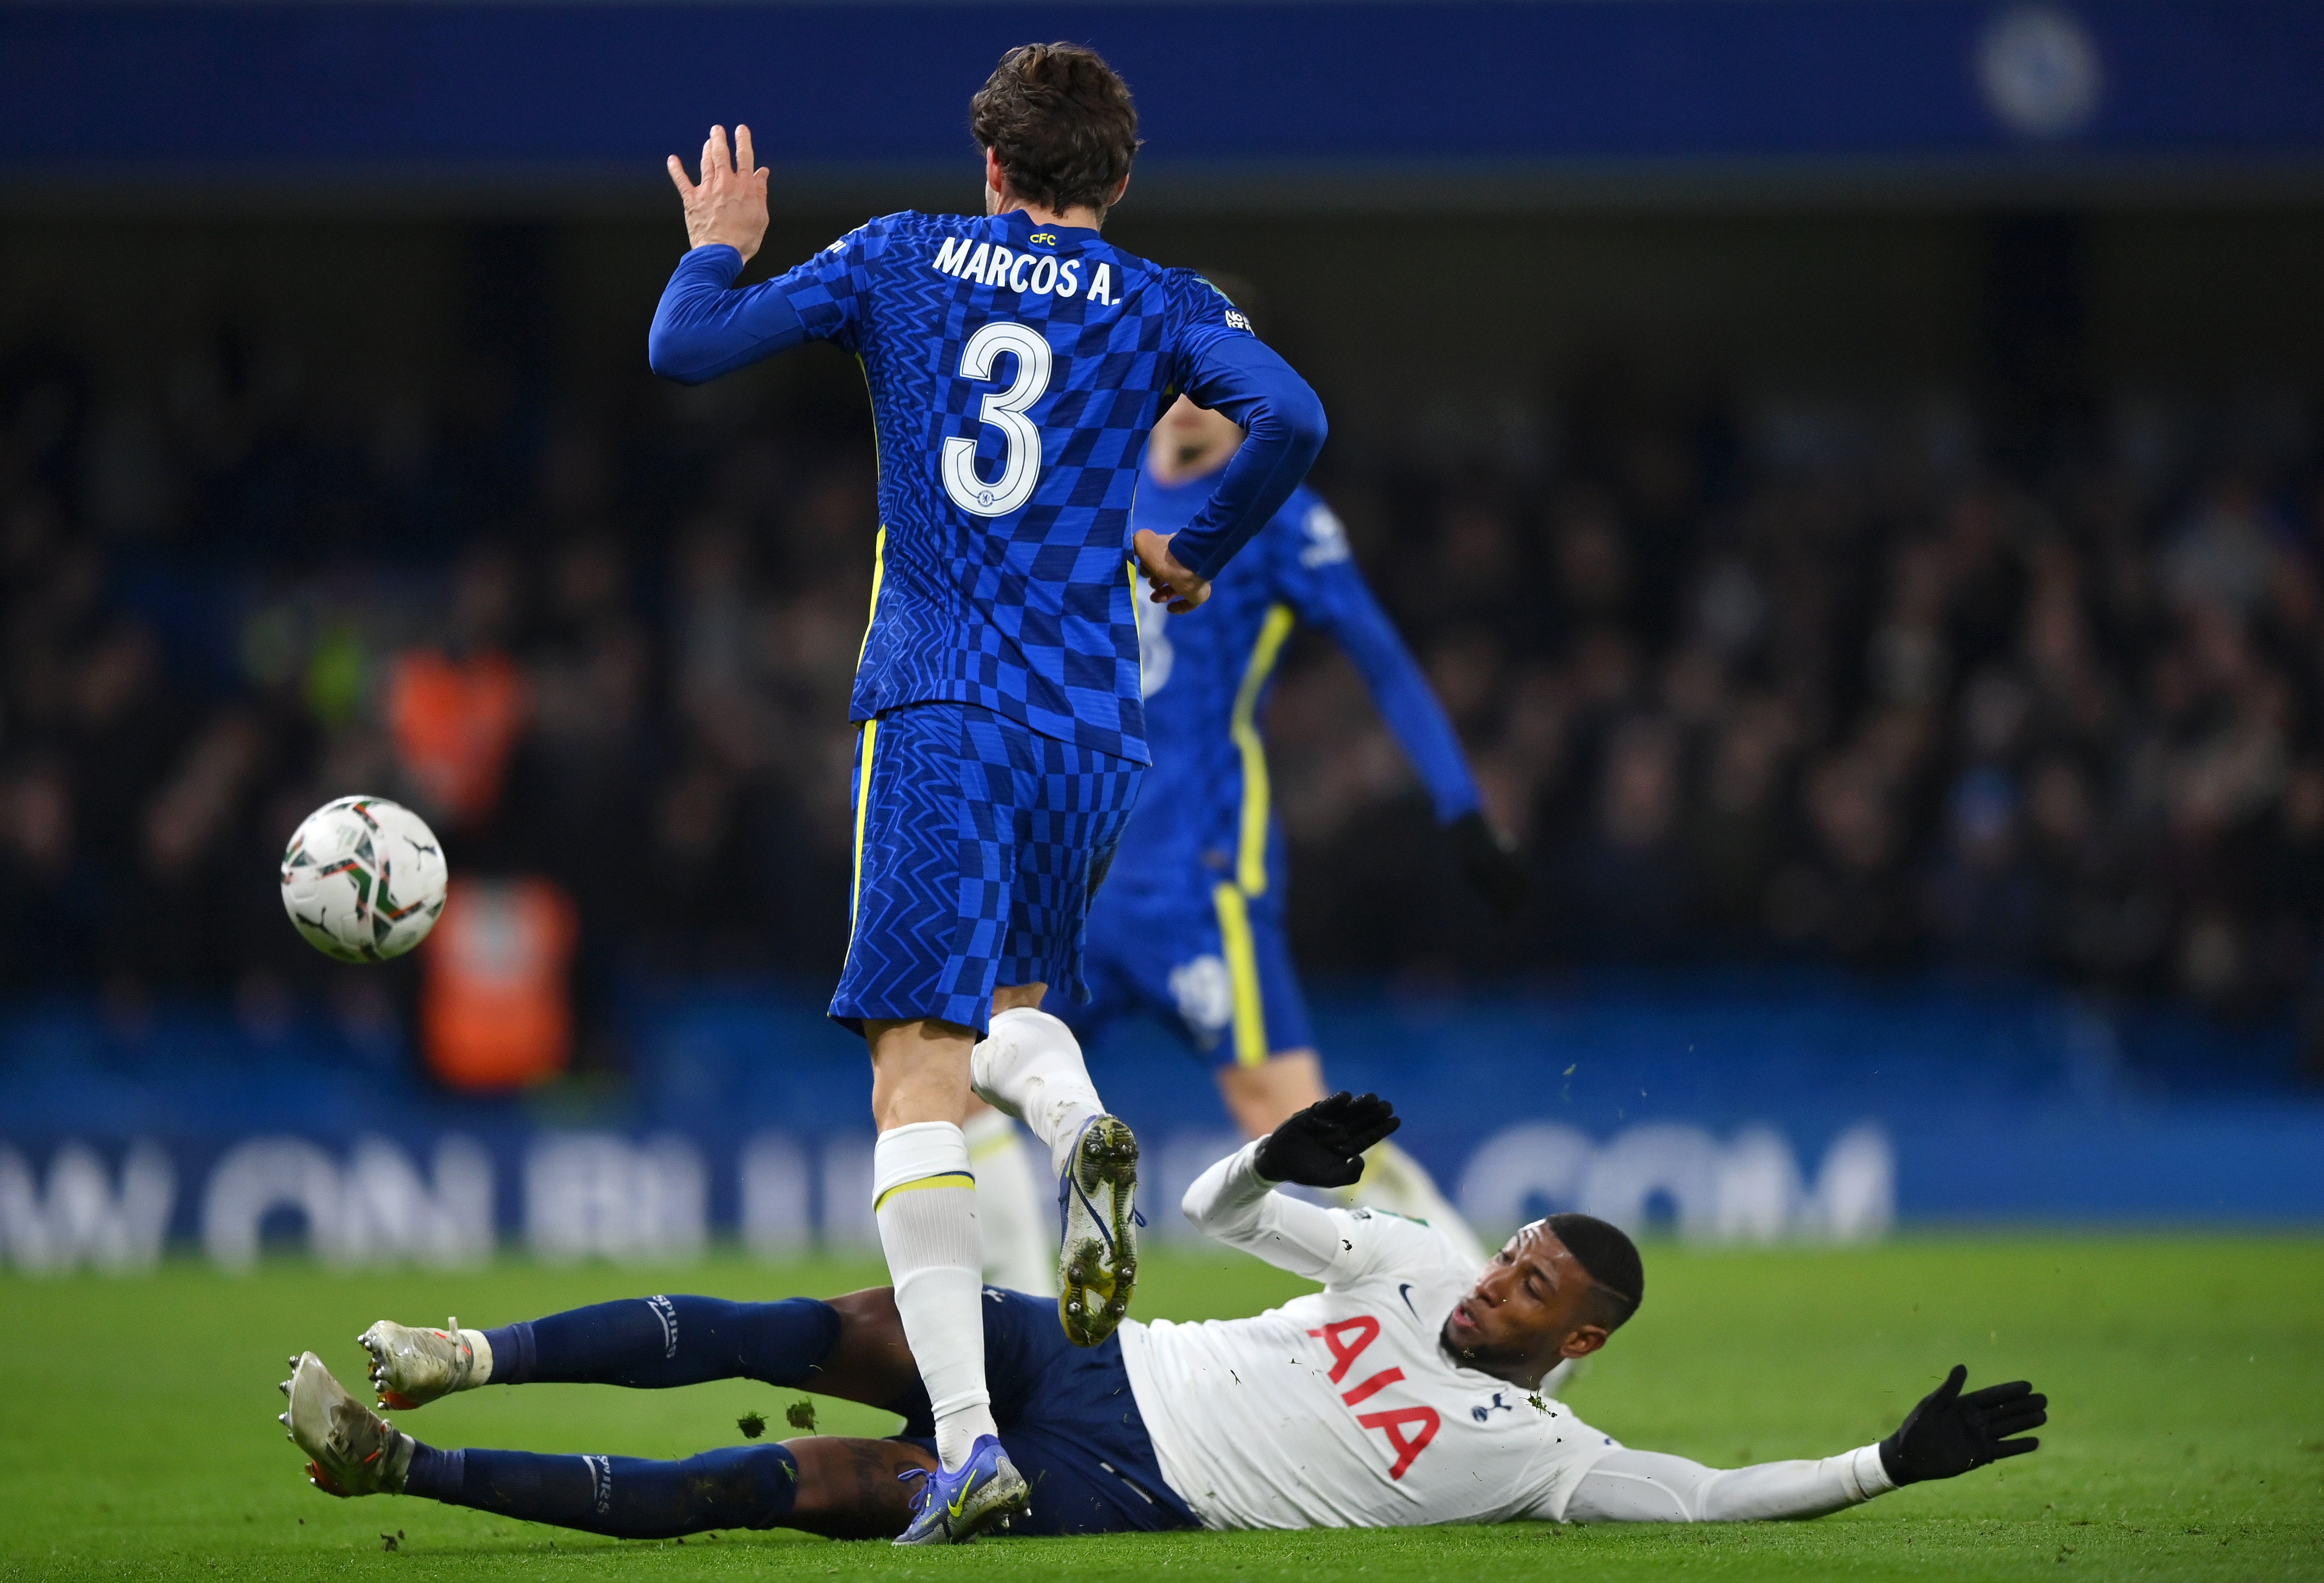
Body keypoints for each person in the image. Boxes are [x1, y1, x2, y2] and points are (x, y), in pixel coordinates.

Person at [643, 42, 1326, 1542]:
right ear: (1121, 179)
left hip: (944, 703)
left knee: (914, 1069)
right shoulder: (1160, 301)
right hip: (1090, 723)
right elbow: (1295, 418)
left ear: (995, 168)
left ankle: (965, 1440)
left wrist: (713, 251)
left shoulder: (898, 253)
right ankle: (1078, 1114)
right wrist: (1196, 544)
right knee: (1014, 1006)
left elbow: (686, 354)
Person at [278, 1095, 2047, 1540]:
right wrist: (1276, 1161)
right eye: (1508, 1256)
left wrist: (1888, 1461)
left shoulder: (1547, 1461)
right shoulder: (1407, 1260)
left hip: (1124, 1484)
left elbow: (1717, 1497)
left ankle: (395, 1475)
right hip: (1097, 1353)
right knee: (798, 1322)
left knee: (769, 1491)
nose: (1494, 1285)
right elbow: (1207, 1216)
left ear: (1575, 1340)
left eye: (1533, 1294)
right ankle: (468, 1352)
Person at [967, 366, 1528, 1288]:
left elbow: (1382, 661)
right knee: (969, 1082)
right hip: (1069, 873)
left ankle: (1487, 1308)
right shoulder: (1084, 484)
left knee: (1289, 1112)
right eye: (1178, 378)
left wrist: (1461, 807)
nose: (1192, 402)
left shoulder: (1278, 515)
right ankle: (1022, 1342)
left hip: (1201, 876)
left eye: (1217, 389)